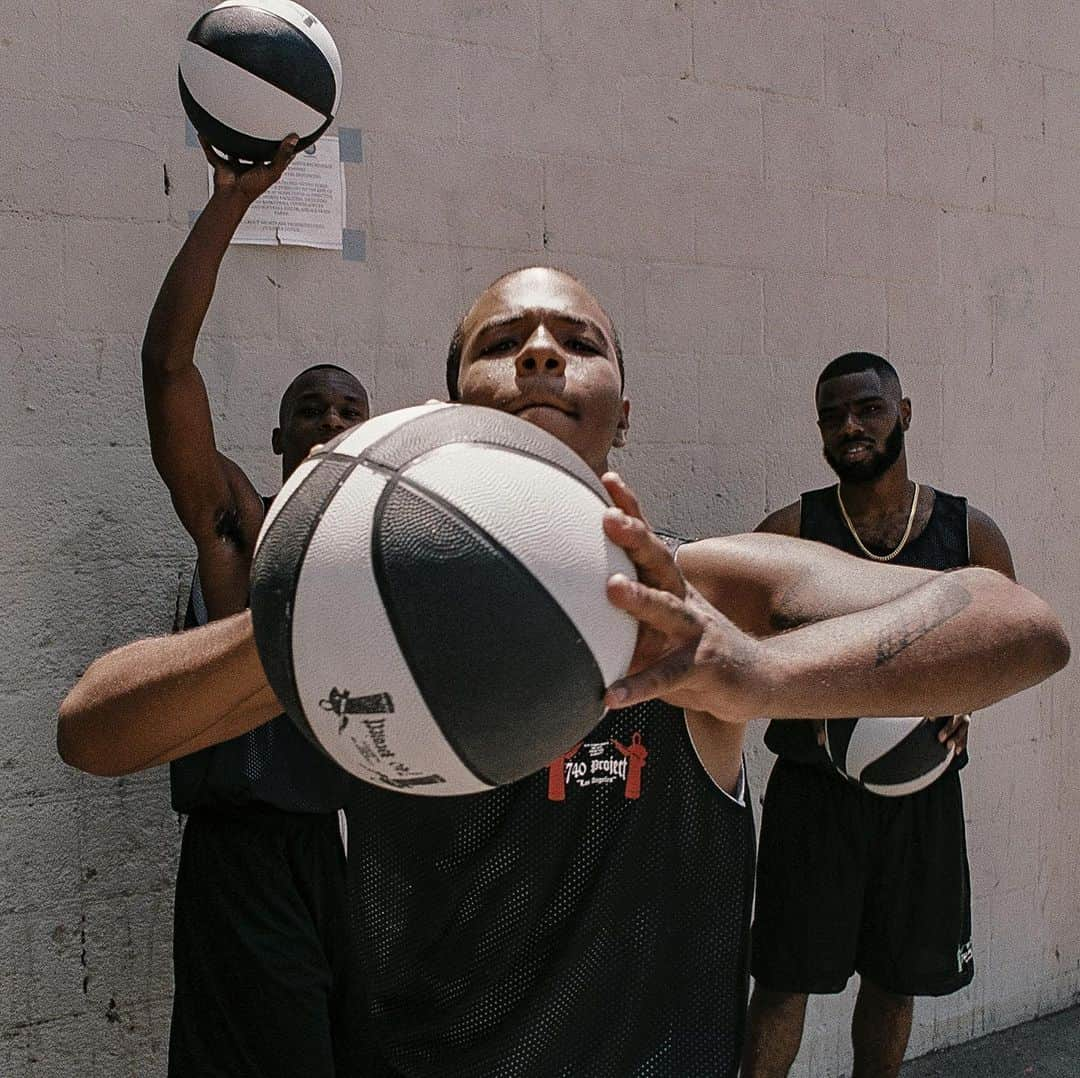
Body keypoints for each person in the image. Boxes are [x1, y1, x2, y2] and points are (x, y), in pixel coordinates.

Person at [58, 270, 1069, 1077]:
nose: (541, 349)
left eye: (577, 342)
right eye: (503, 343)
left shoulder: (697, 589)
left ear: (621, 412)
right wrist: (323, 606)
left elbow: (1019, 625)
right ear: (454, 402)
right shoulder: (366, 621)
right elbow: (93, 731)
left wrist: (750, 673)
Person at [140, 134, 370, 1077]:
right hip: (245, 851)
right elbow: (167, 370)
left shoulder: (388, 552)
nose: (327, 422)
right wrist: (232, 200)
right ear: (276, 435)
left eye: (347, 409)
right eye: (309, 409)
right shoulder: (242, 527)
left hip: (351, 852)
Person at [741, 351, 1016, 1078]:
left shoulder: (967, 532)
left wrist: (964, 703)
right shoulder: (790, 530)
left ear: (904, 413)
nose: (850, 426)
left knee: (896, 980)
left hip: (918, 793)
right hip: (813, 792)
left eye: (867, 408)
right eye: (832, 416)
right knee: (783, 980)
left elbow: (1006, 647)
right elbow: (742, 654)